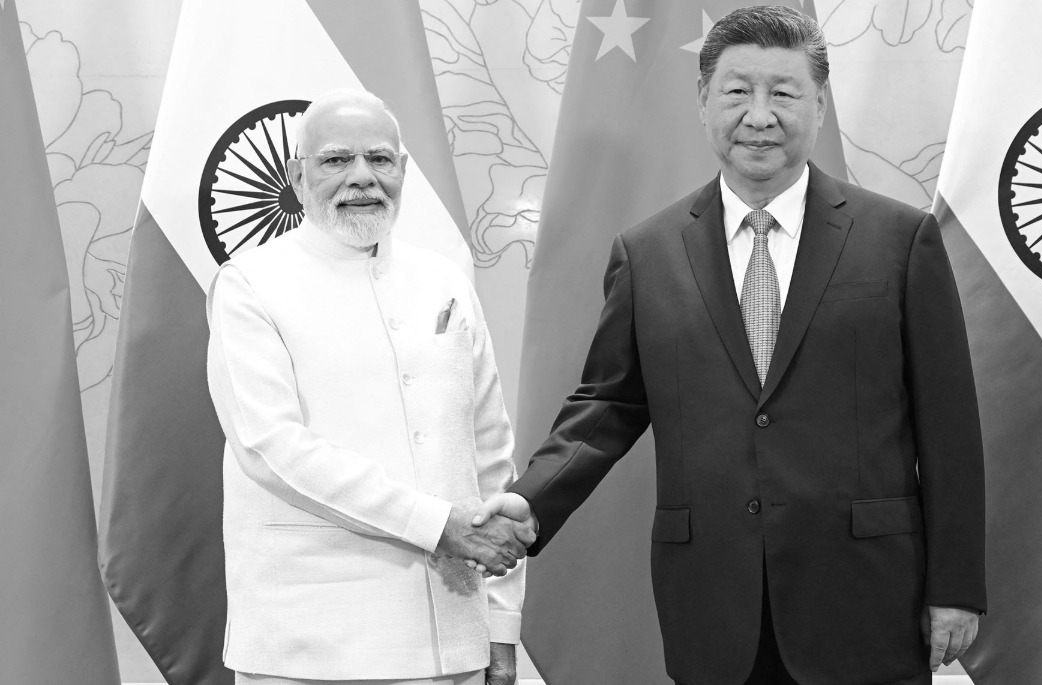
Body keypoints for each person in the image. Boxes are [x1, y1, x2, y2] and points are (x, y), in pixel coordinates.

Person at [474, 7, 986, 685]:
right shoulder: (649, 253)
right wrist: (530, 502)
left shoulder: (900, 241)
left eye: (784, 92)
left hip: (866, 596)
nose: (760, 114)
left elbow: (948, 429)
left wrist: (957, 585)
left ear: (820, 105)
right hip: (713, 603)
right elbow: (607, 407)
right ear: (704, 102)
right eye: (738, 91)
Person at [206, 88, 534, 685]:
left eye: (380, 159)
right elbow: (270, 448)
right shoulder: (250, 285)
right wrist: (436, 523)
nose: (362, 178)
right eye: (336, 160)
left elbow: (490, 456)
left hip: (455, 640)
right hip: (311, 642)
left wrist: (502, 628)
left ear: (404, 171)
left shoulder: (444, 281)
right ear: (297, 174)